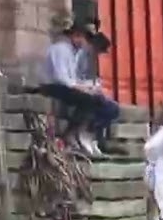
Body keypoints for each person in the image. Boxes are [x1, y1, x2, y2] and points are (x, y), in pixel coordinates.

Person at [38, 21, 122, 157]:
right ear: (76, 36)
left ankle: (90, 133)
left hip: (68, 86)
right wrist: (83, 88)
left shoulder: (75, 52)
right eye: (85, 39)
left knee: (111, 107)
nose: (85, 43)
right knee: (87, 99)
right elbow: (62, 78)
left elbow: (75, 78)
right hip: (52, 87)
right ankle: (71, 133)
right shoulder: (60, 49)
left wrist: (89, 87)